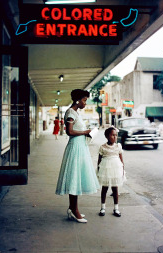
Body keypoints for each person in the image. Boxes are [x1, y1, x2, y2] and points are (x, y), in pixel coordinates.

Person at [55, 89, 100, 223]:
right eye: (84, 100)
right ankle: (75, 211)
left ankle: (72, 208)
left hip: (80, 147)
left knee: (77, 178)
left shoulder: (75, 113)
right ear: (78, 100)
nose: (85, 103)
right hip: (75, 148)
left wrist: (87, 133)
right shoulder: (70, 113)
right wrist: (85, 131)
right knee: (74, 178)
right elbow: (69, 132)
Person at [97, 126, 125, 217]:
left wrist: (122, 171)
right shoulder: (103, 147)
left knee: (115, 189)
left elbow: (121, 160)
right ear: (107, 136)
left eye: (116, 135)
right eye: (112, 135)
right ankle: (102, 207)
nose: (115, 137)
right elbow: (99, 160)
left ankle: (116, 208)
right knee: (104, 188)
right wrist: (98, 171)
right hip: (105, 169)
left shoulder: (118, 146)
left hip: (116, 169)